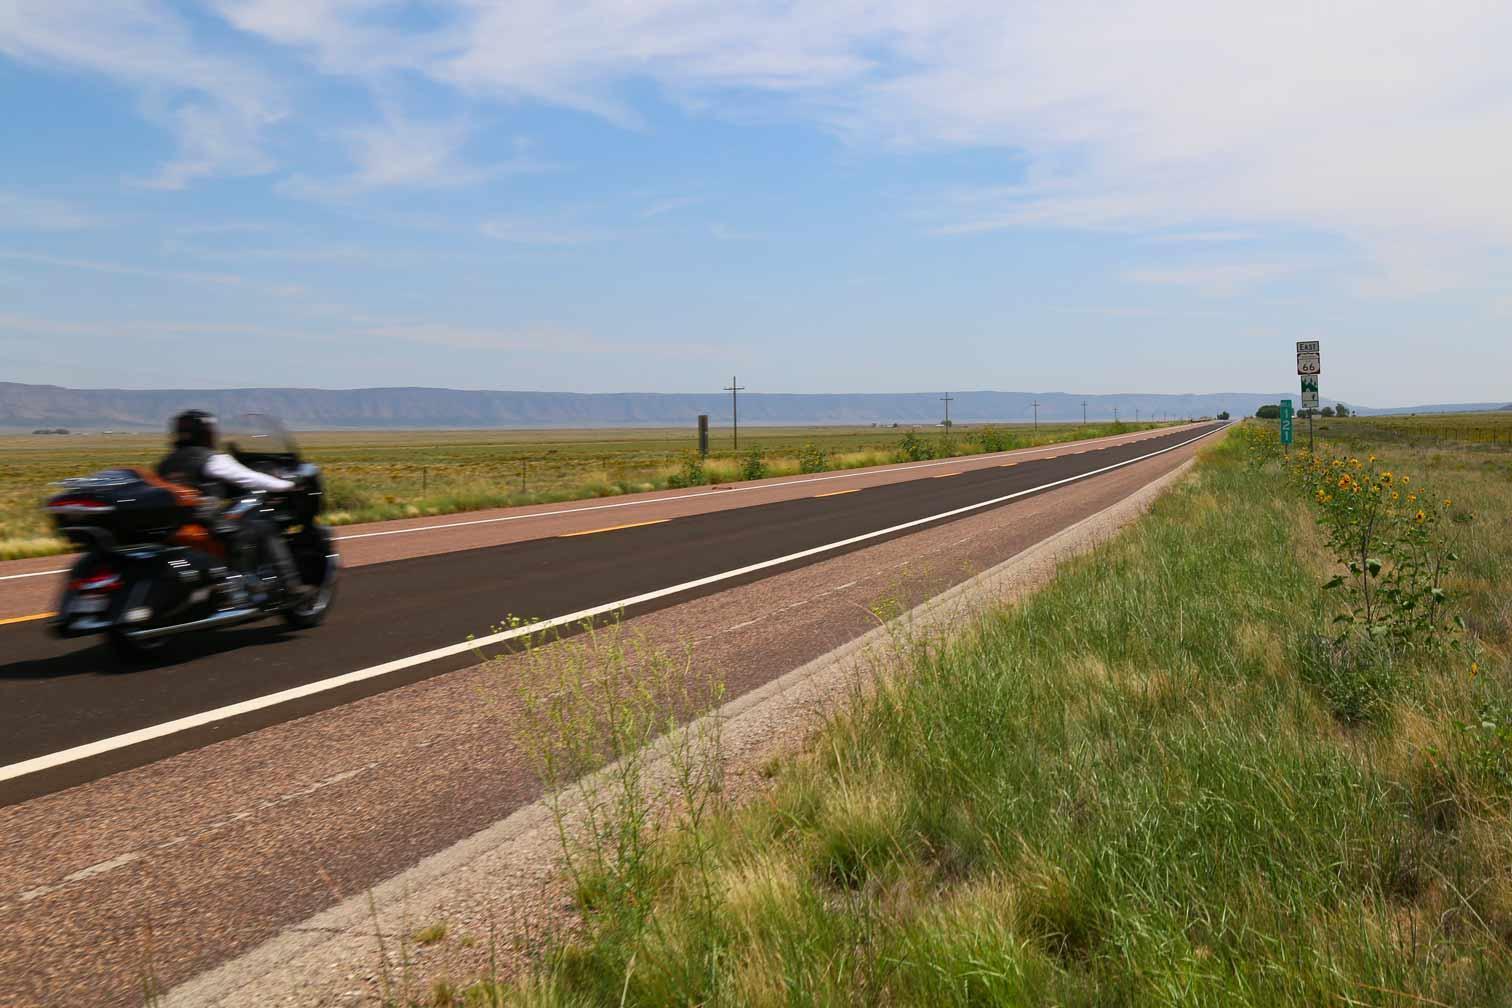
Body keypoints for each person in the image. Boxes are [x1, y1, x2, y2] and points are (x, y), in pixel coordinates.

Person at [158, 410, 308, 604]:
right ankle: (291, 587)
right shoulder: (210, 458)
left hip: (176, 524)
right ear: (205, 433)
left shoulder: (166, 463)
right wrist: (288, 485)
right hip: (205, 523)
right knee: (264, 528)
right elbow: (249, 478)